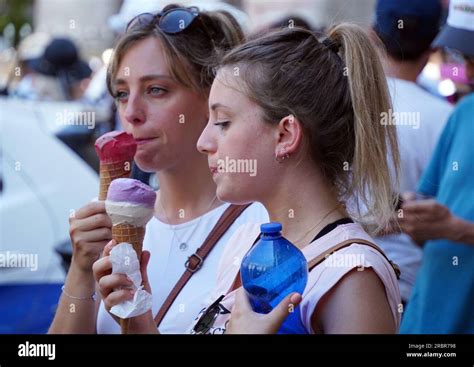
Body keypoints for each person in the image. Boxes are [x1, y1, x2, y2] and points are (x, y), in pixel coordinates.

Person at [107, 23, 403, 334]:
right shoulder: (245, 244)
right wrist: (138, 318)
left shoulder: (351, 274)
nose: (203, 142)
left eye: (223, 122)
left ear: (285, 134)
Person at [49, 4, 268, 334]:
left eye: (156, 90)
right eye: (122, 94)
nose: (132, 113)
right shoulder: (116, 222)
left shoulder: (261, 229)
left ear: (214, 97)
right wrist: (81, 269)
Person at [399, 0, 474, 334]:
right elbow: (430, 207)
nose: (467, 71)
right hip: (426, 322)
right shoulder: (463, 113)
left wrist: (457, 230)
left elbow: (451, 226)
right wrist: (418, 219)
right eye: (464, 56)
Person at [372, 0, 453, 304]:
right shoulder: (447, 117)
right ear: (435, 45)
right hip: (412, 288)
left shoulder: (339, 101)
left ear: (372, 35)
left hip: (335, 276)